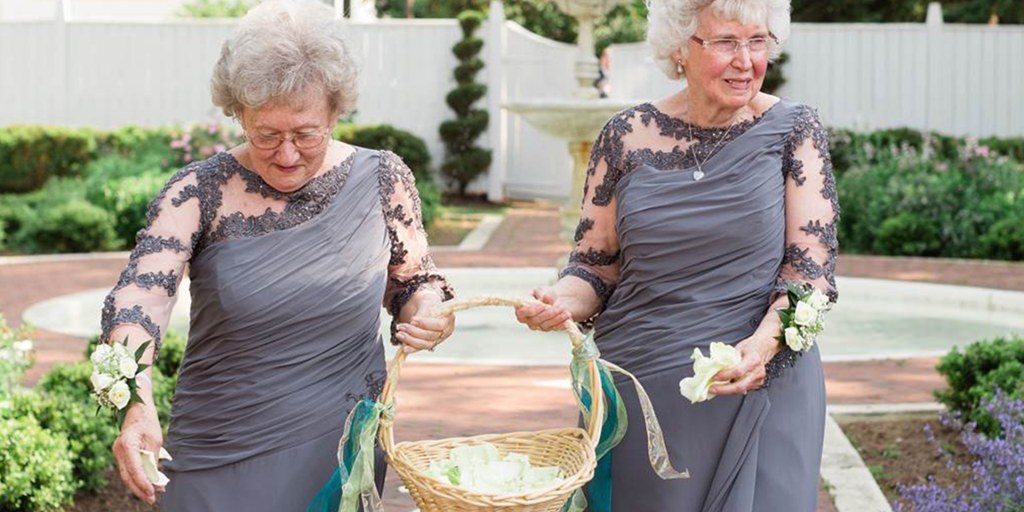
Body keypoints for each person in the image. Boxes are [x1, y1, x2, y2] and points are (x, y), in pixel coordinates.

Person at [102, 1, 455, 509]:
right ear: (237, 113)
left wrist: (429, 313)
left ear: (336, 112)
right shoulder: (197, 192)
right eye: (266, 134)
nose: (286, 155)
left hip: (340, 449)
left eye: (305, 134)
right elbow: (137, 300)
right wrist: (134, 405)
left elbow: (414, 281)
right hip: (216, 452)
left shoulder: (383, 179)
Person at [515, 0, 839, 510]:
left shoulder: (794, 132)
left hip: (757, 380)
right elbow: (593, 267)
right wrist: (559, 300)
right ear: (679, 49)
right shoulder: (624, 137)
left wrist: (762, 347)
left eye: (758, 42)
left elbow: (810, 270)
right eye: (726, 42)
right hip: (642, 391)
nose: (745, 60)